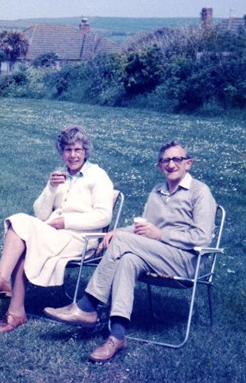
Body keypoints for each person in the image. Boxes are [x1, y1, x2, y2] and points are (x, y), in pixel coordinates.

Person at [44, 141, 217, 363]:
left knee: (124, 244)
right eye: (165, 160)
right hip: (156, 254)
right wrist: (117, 231)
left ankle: (87, 306)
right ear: (159, 166)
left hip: (188, 260)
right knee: (128, 259)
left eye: (177, 159)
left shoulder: (200, 192)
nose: (171, 164)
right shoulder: (158, 191)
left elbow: (202, 237)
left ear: (188, 163)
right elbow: (143, 227)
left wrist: (161, 235)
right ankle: (117, 336)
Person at [0, 125, 114, 333]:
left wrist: (65, 222)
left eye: (77, 150)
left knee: (20, 223)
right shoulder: (60, 176)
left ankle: (3, 282)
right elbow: (41, 214)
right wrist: (51, 188)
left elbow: (103, 216)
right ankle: (15, 311)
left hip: (81, 239)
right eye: (68, 150)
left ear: (85, 151)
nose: (73, 155)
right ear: (62, 153)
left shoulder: (98, 176)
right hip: (53, 235)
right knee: (23, 233)